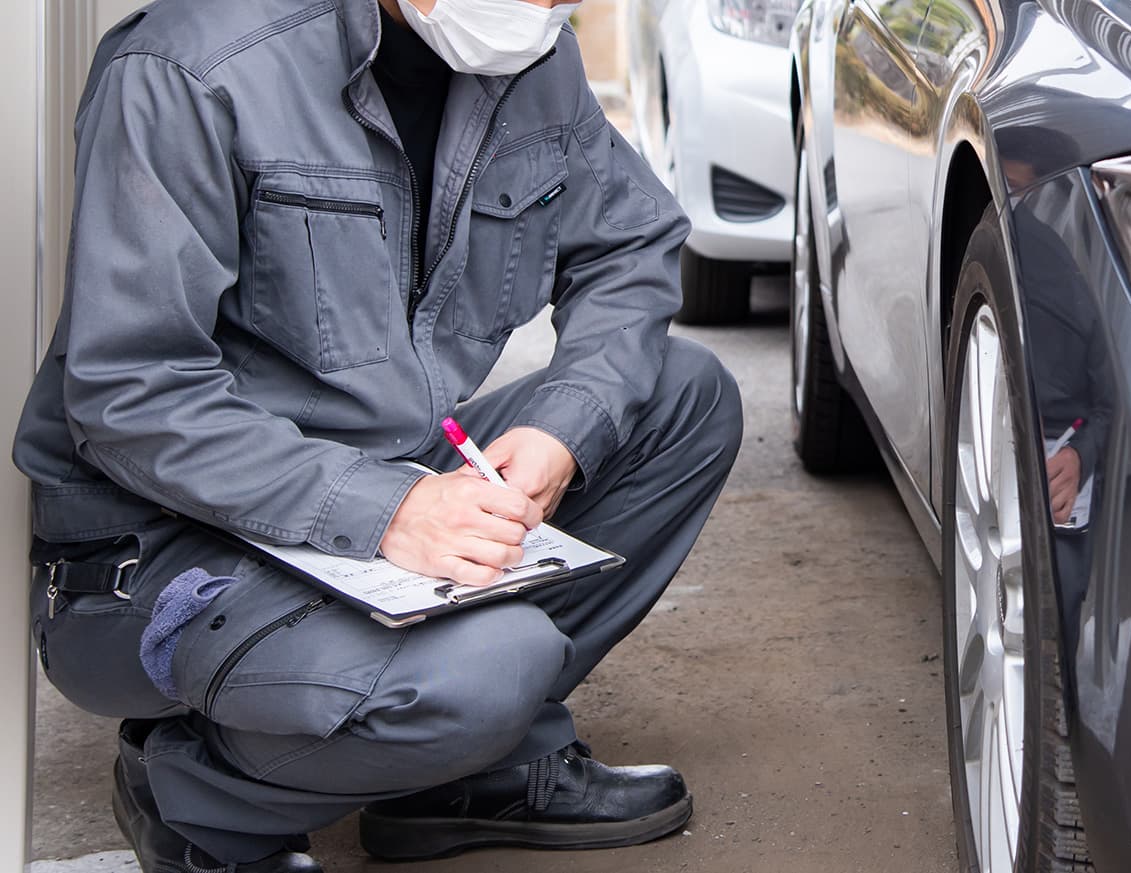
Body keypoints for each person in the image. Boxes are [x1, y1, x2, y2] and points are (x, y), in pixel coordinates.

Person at [12, 0, 743, 870]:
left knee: (686, 399)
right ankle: (191, 787)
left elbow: (633, 243)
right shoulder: (190, 65)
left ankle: (459, 778)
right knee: (491, 670)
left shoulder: (530, 61)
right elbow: (132, 392)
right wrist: (388, 506)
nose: (552, 8)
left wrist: (563, 428)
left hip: (389, 484)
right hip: (165, 551)